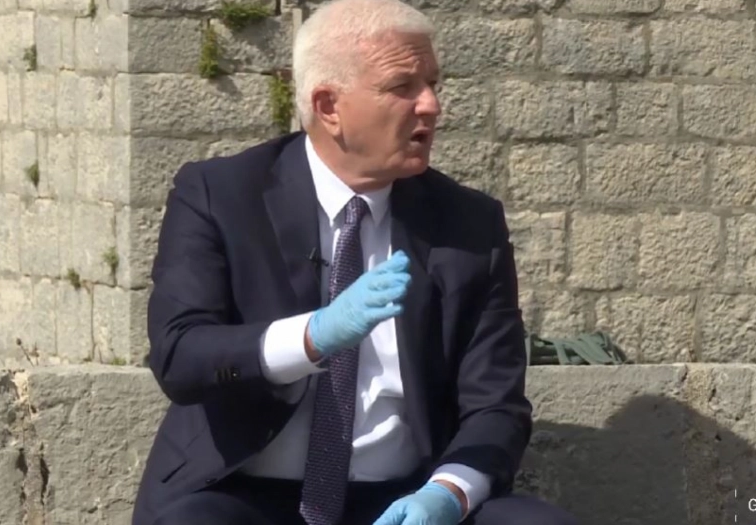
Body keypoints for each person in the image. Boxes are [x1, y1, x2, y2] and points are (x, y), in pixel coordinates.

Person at [132, 1, 578, 524]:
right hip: (246, 494)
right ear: (329, 106)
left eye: (433, 84)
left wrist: (449, 493)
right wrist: (312, 336)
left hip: (404, 498)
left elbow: (496, 404)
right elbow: (180, 355)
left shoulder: (468, 224)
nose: (431, 105)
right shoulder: (221, 195)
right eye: (402, 86)